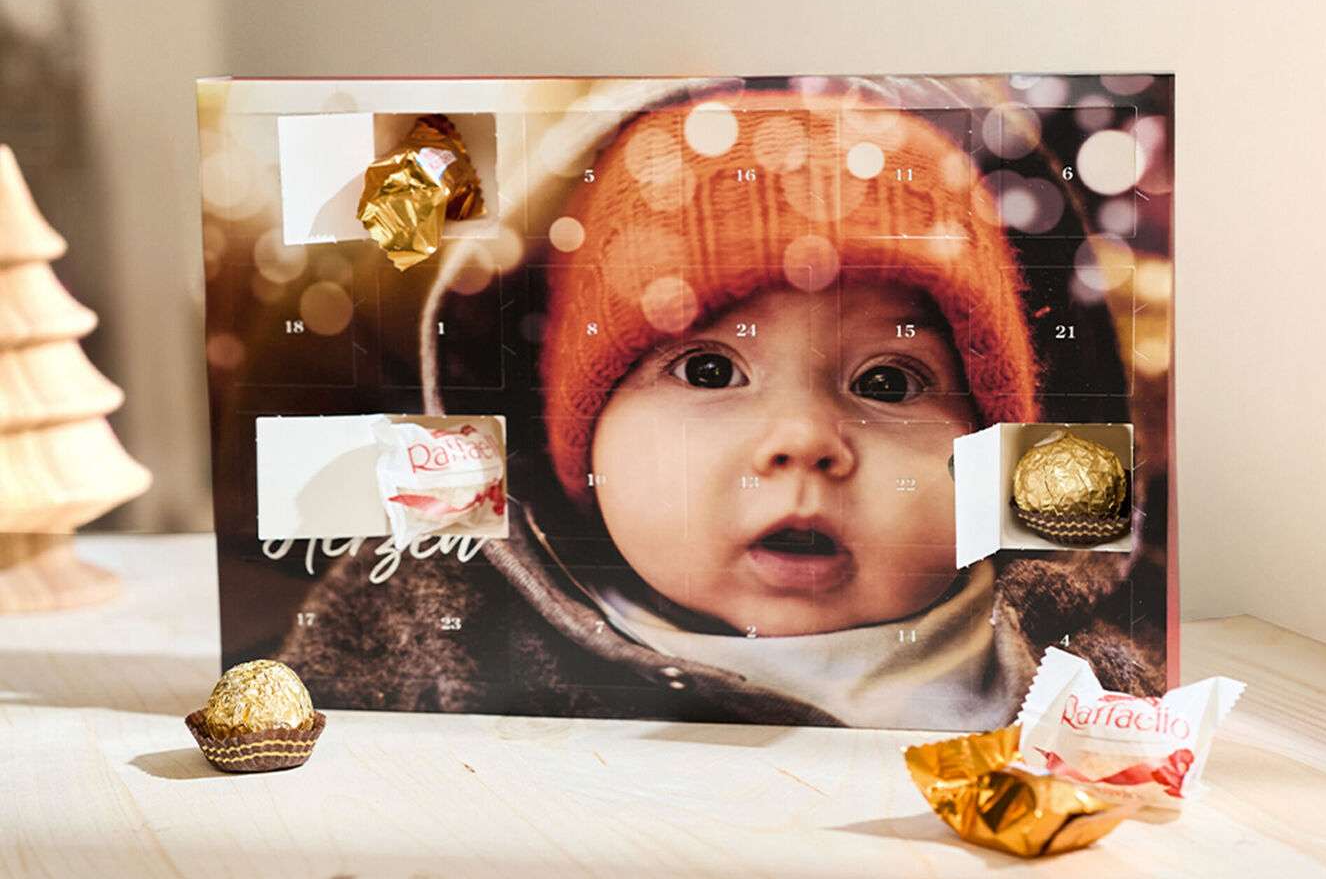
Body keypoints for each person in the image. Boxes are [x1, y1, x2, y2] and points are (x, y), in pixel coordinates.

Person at [279, 85, 1164, 728]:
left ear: (993, 454)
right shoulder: (452, 621)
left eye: (888, 383)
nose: (806, 441)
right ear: (575, 454)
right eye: (708, 371)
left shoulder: (1070, 663)